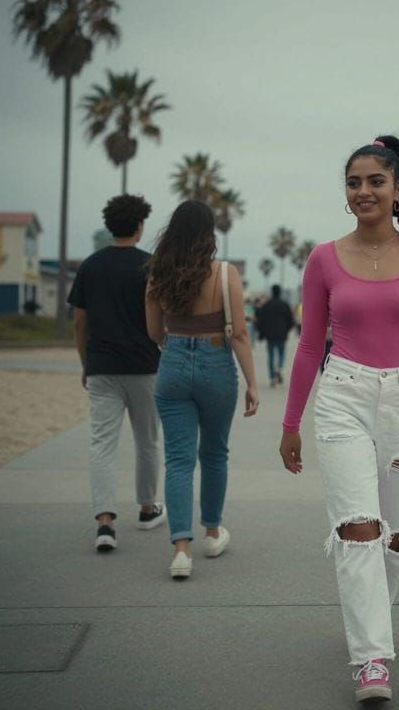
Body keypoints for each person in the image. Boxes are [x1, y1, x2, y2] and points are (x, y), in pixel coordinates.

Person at [278, 135, 399, 702]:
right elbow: (309, 342)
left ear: (397, 189)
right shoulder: (322, 258)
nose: (363, 191)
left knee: (393, 535)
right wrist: (291, 422)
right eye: (353, 182)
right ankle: (370, 660)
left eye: (374, 181)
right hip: (342, 396)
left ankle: (373, 622)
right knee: (359, 529)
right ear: (345, 194)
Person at [143, 200, 258, 578]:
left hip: (173, 363)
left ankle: (180, 550)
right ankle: (211, 532)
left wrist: (178, 344)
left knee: (178, 460)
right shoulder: (226, 275)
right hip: (215, 365)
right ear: (209, 235)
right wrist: (253, 383)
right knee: (214, 453)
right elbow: (239, 334)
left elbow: (153, 332)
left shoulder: (158, 274)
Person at [68, 193, 165, 553]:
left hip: (101, 367)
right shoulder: (150, 266)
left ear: (110, 225)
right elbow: (161, 319)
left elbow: (80, 320)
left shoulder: (90, 265)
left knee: (102, 444)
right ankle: (146, 508)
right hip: (144, 366)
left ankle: (105, 522)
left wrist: (85, 362)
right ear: (139, 226)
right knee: (147, 441)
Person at [255, 283, 296, 387]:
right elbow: (291, 321)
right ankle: (279, 367)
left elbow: (261, 321)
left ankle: (272, 377)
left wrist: (262, 332)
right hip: (282, 335)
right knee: (281, 354)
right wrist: (286, 330)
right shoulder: (285, 305)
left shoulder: (266, 306)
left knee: (271, 356)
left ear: (272, 292)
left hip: (270, 336)